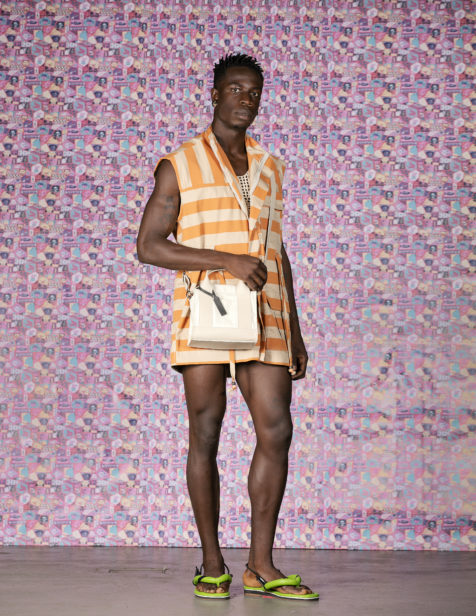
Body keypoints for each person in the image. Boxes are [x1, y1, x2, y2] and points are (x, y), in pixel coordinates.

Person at [136, 53, 318, 601]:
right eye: (236, 89)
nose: (246, 99)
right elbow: (149, 246)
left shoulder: (270, 165)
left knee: (277, 430)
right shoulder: (180, 163)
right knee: (206, 432)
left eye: (254, 91)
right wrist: (225, 261)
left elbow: (276, 251)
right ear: (214, 95)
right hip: (208, 312)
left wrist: (297, 329)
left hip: (267, 314)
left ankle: (260, 566)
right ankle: (212, 562)